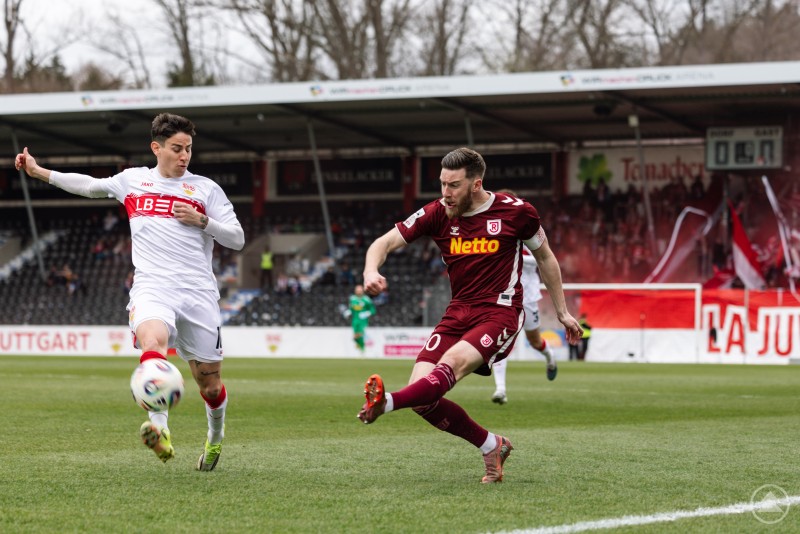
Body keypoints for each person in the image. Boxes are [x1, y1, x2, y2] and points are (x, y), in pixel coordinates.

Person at [15, 112, 245, 471]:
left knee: (210, 383)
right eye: (176, 148)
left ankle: (215, 440)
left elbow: (237, 238)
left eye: (188, 149)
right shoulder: (133, 181)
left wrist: (202, 220)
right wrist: (39, 171)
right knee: (152, 343)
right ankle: (160, 431)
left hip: (198, 292)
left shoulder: (205, 189)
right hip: (152, 286)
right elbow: (89, 185)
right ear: (156, 148)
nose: (184, 156)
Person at [356, 147, 582, 483]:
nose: (445, 194)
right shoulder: (437, 212)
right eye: (442, 184)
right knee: (422, 396)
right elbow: (384, 242)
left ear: (476, 184)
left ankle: (385, 403)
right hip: (458, 311)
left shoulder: (517, 212)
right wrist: (370, 271)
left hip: (500, 311)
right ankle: (492, 445)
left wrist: (562, 311)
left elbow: (546, 258)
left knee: (449, 368)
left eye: (454, 186)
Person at [490, 189, 557, 405]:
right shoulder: (494, 233)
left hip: (527, 297)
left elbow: (542, 259)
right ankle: (500, 390)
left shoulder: (528, 232)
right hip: (504, 296)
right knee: (501, 343)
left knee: (535, 341)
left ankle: (550, 357)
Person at [348, 284, 376, 356]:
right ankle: (361, 347)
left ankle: (362, 349)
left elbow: (373, 310)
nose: (359, 292)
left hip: (363, 321)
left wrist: (367, 313)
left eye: (360, 290)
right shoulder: (352, 299)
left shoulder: (366, 299)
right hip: (355, 320)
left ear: (363, 291)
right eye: (357, 290)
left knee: (359, 335)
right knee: (355, 337)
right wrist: (348, 312)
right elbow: (351, 308)